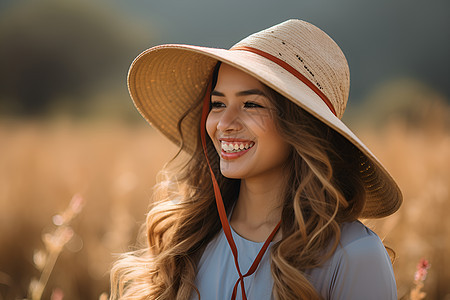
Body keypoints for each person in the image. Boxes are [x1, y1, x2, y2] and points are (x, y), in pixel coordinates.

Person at [110, 19, 402, 300]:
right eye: (218, 103)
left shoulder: (353, 255)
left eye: (251, 104)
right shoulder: (186, 239)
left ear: (302, 126)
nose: (225, 123)